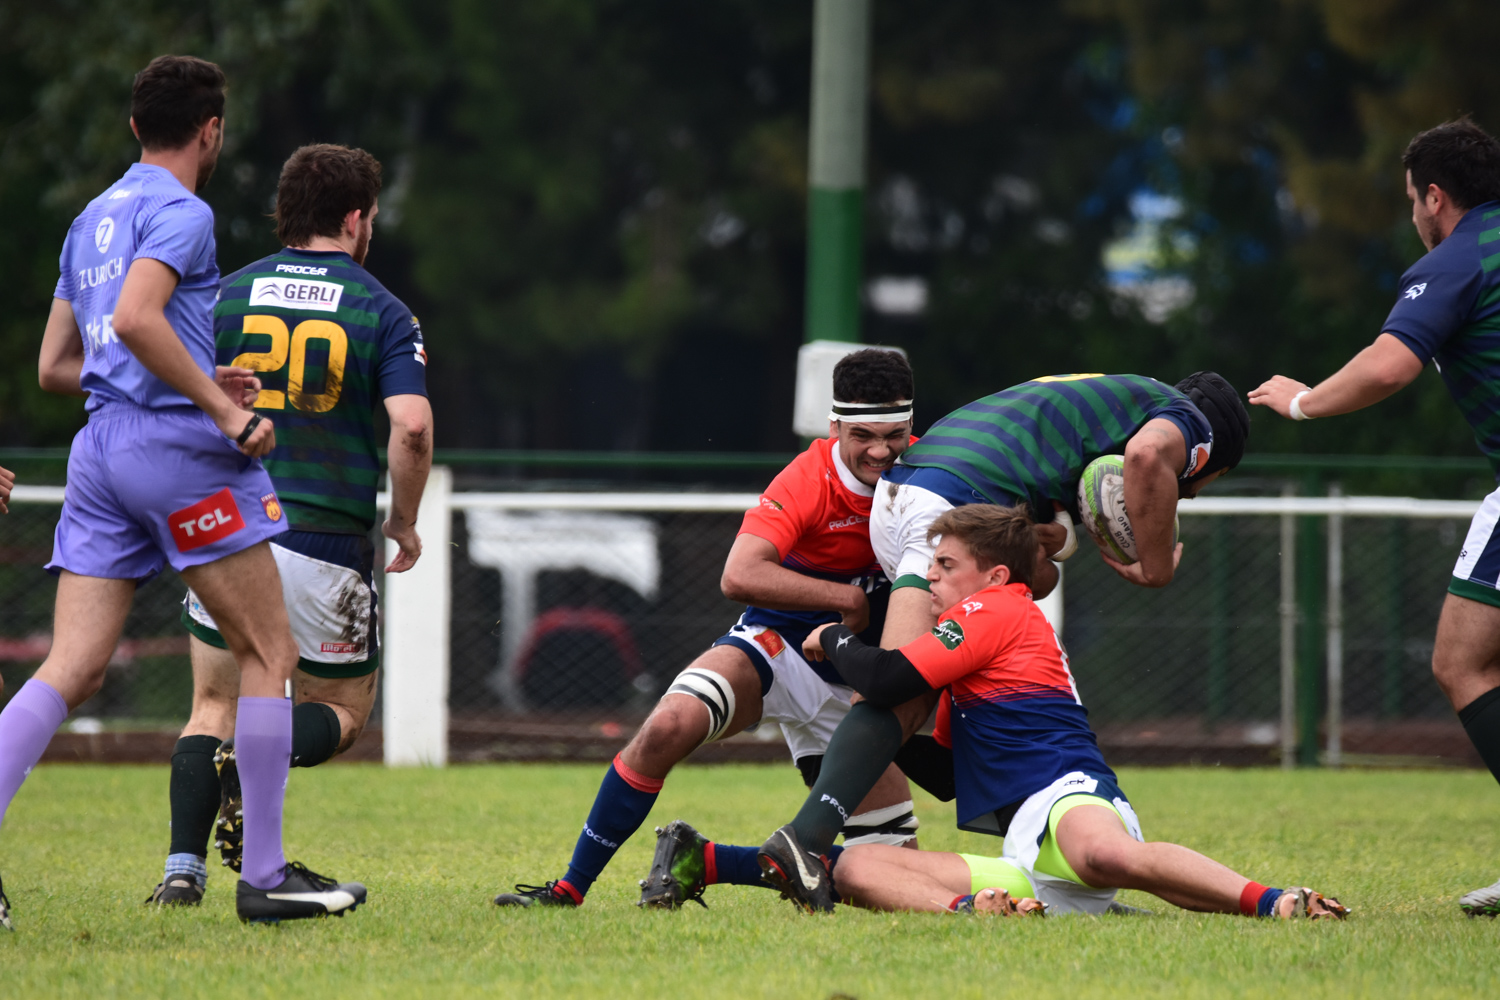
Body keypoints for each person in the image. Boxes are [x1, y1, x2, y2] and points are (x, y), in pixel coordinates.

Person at [0, 55, 364, 930]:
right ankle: (266, 875)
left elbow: (58, 365)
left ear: (135, 126)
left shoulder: (90, 218)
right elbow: (136, 319)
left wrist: (193, 373)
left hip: (99, 453)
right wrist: (221, 409)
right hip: (175, 453)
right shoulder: (185, 212)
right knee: (269, 654)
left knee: (70, 667)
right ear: (211, 131)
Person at [754, 504, 1348, 921]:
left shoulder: (995, 607)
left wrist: (834, 637)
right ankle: (977, 912)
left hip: (1068, 795)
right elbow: (947, 776)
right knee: (855, 868)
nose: (929, 575)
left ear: (995, 576)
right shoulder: (972, 645)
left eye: (946, 565)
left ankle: (1276, 901)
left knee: (1103, 855)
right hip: (1027, 856)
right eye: (932, 563)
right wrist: (864, 733)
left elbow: (887, 676)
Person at [493, 349, 922, 909]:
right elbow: (739, 574)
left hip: (858, 685)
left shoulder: (931, 475)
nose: (880, 451)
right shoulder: (808, 478)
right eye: (863, 435)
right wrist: (846, 597)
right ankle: (569, 890)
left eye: (894, 435)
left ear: (911, 426)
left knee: (891, 873)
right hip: (777, 652)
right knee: (667, 725)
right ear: (835, 425)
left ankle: (706, 859)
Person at [146, 144, 433, 905]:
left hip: (226, 527)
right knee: (340, 710)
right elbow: (411, 427)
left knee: (213, 705)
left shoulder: (224, 295)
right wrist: (404, 522)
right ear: (354, 218)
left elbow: (170, 394)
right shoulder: (383, 310)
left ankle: (181, 875)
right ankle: (248, 768)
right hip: (323, 539)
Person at [1248, 117, 1500, 917]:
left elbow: (1390, 367)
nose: (1414, 215)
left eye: (1412, 200)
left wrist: (1303, 403)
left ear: (1435, 196)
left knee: (1462, 661)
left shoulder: (1456, 259)